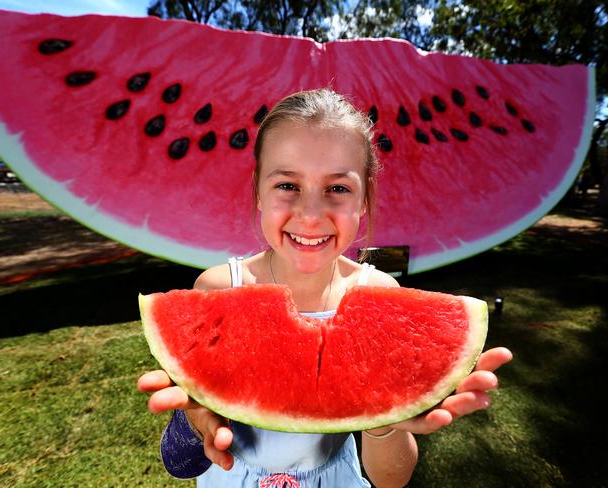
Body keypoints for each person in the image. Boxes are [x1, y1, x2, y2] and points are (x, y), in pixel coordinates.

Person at [138, 88, 513, 487]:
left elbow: (391, 480)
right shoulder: (218, 289)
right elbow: (180, 464)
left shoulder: (377, 293)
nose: (311, 214)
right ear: (258, 191)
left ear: (364, 199)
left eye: (338, 189)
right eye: (287, 185)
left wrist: (385, 420)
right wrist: (195, 420)